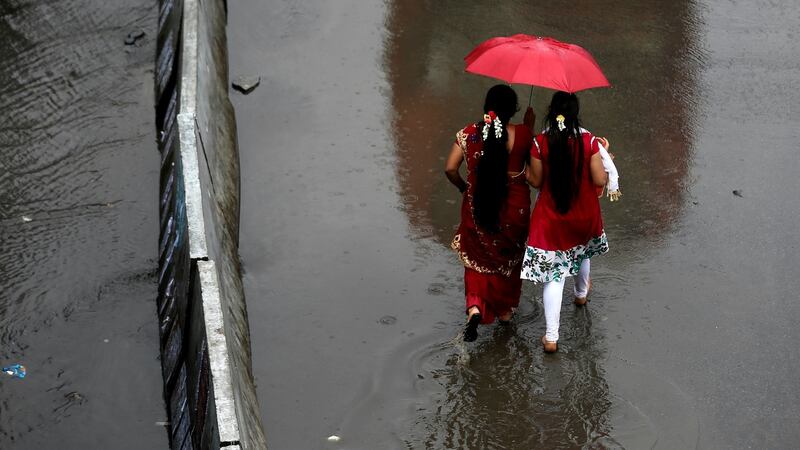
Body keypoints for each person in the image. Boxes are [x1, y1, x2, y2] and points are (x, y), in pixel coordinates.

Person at [445, 84, 535, 342]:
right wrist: (530, 126)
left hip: (478, 206)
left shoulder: (469, 134)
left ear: (487, 107)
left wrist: (464, 188)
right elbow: (535, 168)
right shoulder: (524, 134)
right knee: (507, 260)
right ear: (513, 109)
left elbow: (450, 168)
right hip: (514, 212)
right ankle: (505, 313)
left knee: (478, 260)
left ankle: (475, 308)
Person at [522, 91, 610, 353]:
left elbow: (536, 181)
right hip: (583, 214)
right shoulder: (589, 141)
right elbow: (599, 181)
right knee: (582, 250)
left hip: (551, 218)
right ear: (575, 113)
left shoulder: (539, 143)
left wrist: (527, 163)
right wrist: (607, 157)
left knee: (554, 276)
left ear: (551, 112)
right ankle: (581, 294)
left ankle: (551, 337)